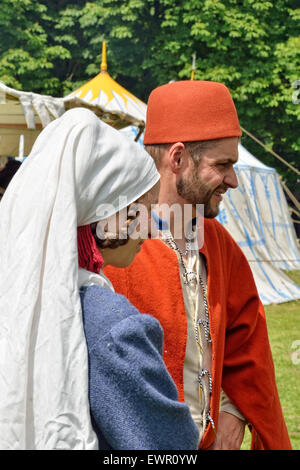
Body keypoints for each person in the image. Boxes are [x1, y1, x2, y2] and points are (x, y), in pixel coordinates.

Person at [104, 80, 292, 450]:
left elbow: (247, 346)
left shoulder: (219, 245)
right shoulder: (115, 245)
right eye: (222, 165)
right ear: (177, 159)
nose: (233, 180)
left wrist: (233, 409)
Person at [0, 107, 199, 450]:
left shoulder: (11, 301)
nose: (150, 230)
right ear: (106, 214)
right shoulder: (115, 328)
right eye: (141, 211)